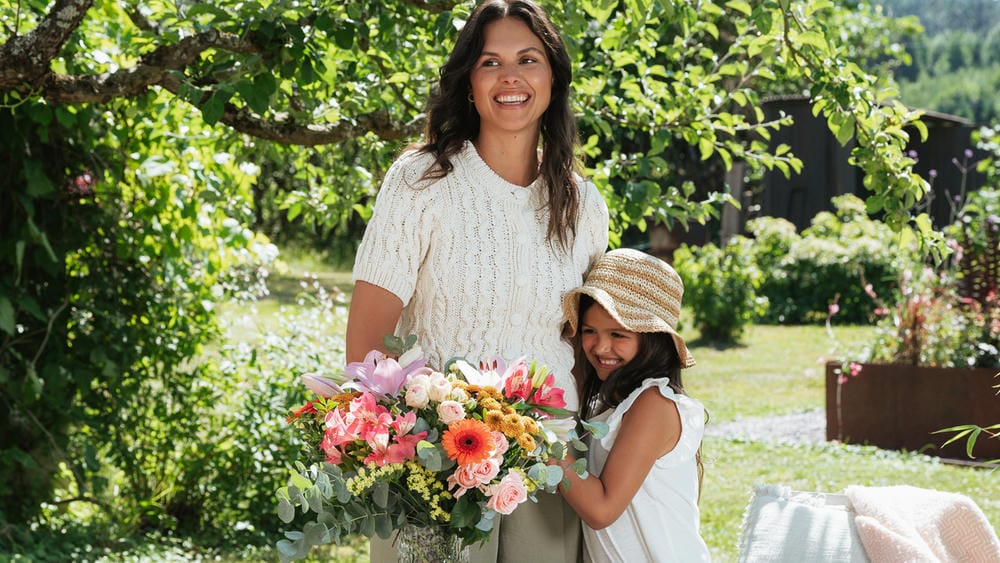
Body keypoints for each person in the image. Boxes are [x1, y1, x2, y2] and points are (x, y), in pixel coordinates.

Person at [345, 0, 609, 560]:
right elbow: (366, 341)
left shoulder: (584, 206)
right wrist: (396, 451)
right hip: (436, 470)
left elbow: (590, 346)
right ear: (468, 82)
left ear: (553, 79)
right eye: (490, 62)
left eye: (528, 59)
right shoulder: (421, 180)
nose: (510, 77)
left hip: (547, 471)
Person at [558, 248, 711, 562]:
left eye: (618, 334)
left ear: (653, 338)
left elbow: (602, 509)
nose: (601, 347)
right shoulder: (611, 401)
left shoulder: (653, 404)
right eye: (589, 331)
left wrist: (539, 445)